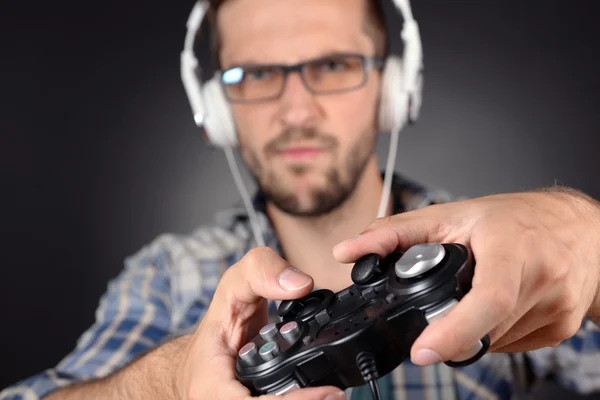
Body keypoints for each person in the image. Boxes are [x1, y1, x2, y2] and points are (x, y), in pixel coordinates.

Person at [2, 0, 600, 399]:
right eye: (255, 74)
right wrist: (169, 381)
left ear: (394, 89)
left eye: (335, 64)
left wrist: (587, 239)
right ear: (216, 110)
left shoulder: (491, 252)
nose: (296, 110)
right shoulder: (171, 274)